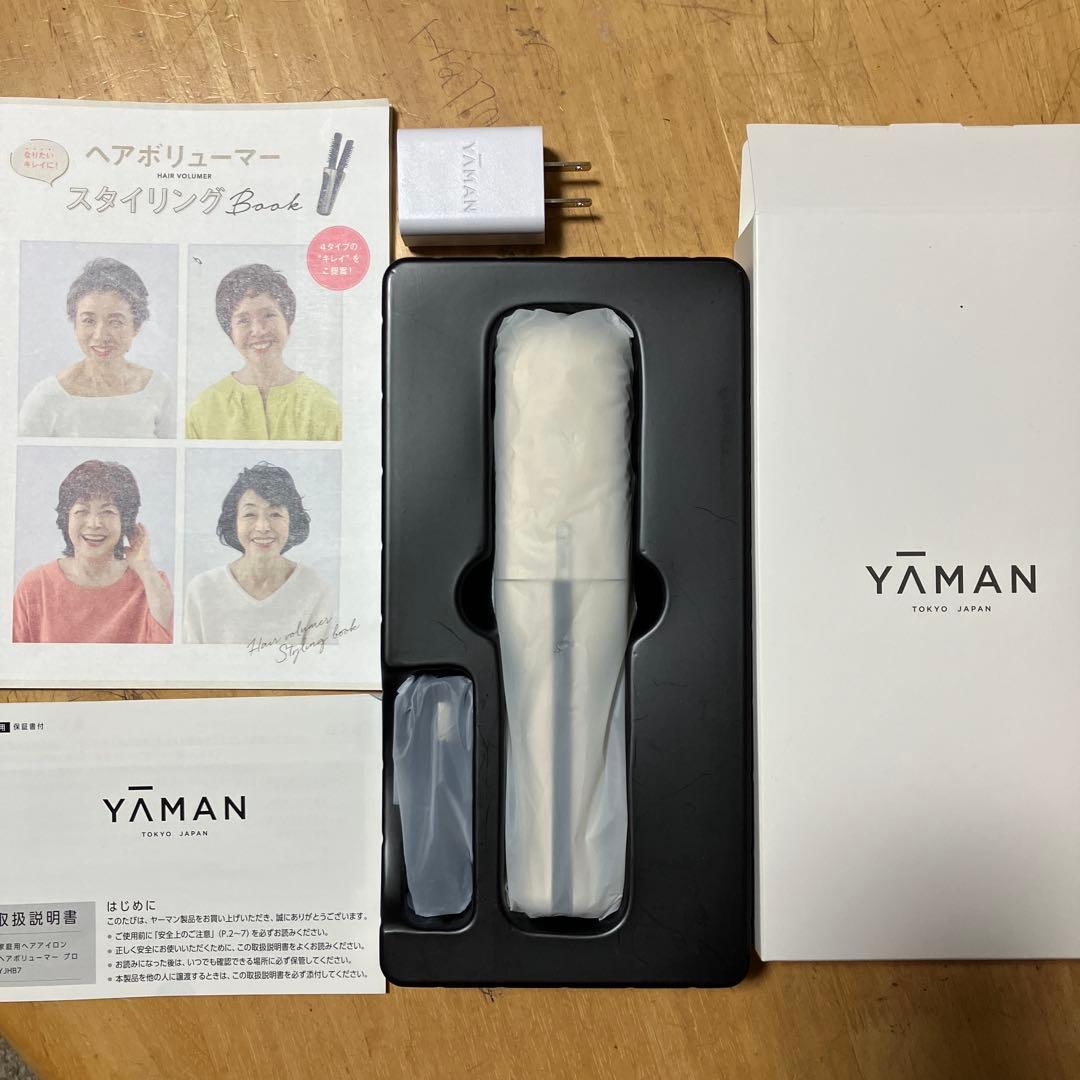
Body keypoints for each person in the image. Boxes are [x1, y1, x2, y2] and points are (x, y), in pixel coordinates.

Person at [13, 460, 173, 643]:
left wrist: (144, 566)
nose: (94, 523)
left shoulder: (151, 583)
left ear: (125, 521)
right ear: (66, 518)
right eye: (82, 511)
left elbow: (168, 646)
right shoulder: (35, 586)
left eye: (108, 512)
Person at [18, 257, 175, 437]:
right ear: (75, 324)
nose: (100, 335)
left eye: (115, 322)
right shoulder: (47, 397)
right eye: (89, 320)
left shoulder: (159, 388)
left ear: (136, 326)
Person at [183, 462, 335, 645]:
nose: (263, 527)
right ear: (234, 522)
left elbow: (320, 662)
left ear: (292, 521)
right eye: (250, 514)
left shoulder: (316, 589)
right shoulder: (202, 590)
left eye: (275, 514)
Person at [185, 264, 342, 440]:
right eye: (243, 320)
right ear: (231, 333)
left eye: (268, 315)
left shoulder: (323, 404)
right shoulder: (204, 409)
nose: (258, 330)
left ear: (288, 322)